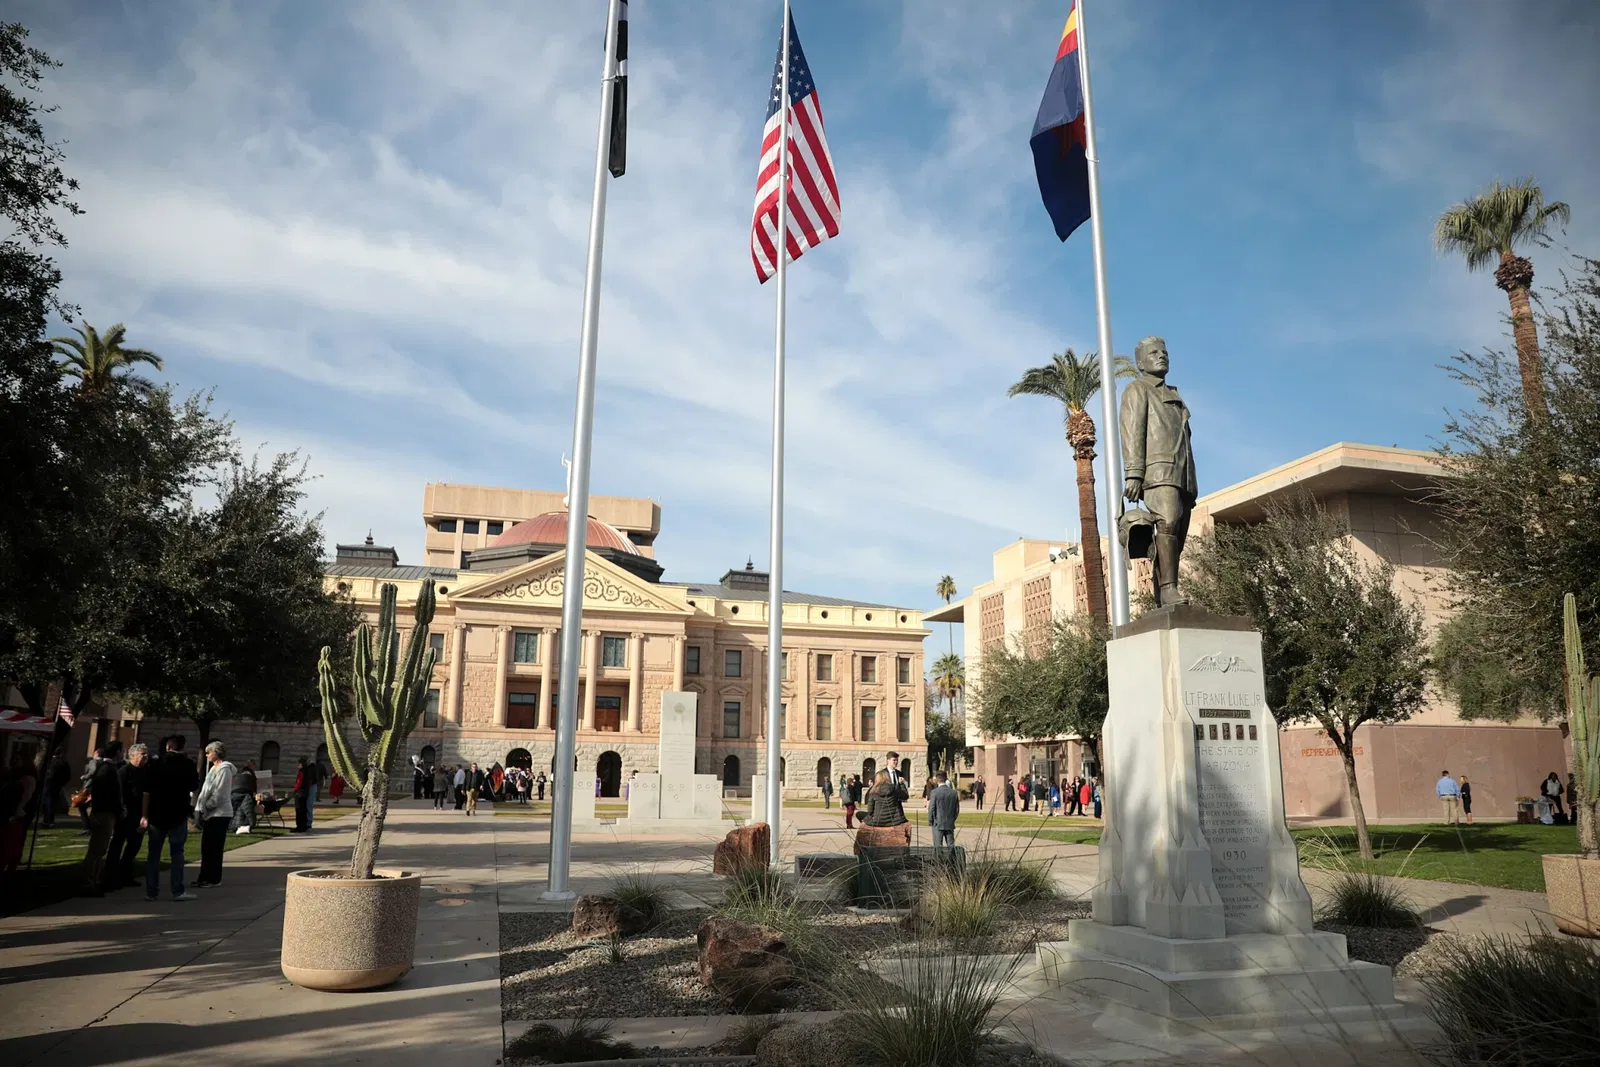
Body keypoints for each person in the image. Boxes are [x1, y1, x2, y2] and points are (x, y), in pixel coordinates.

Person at [143, 735, 199, 901]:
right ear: (182, 747)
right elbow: (194, 786)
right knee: (177, 853)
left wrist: (144, 814)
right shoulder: (187, 764)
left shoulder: (155, 763)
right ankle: (177, 890)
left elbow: (147, 789)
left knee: (154, 854)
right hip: (177, 813)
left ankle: (151, 891)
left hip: (156, 813)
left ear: (168, 747)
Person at [81, 741, 124, 896]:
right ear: (117, 752)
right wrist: (119, 810)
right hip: (104, 813)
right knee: (97, 849)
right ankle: (88, 883)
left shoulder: (105, 768)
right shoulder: (107, 770)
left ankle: (95, 881)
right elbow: (111, 795)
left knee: (100, 849)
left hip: (104, 812)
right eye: (122, 751)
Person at [192, 741, 235, 888]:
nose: (207, 755)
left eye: (209, 752)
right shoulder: (212, 770)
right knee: (206, 847)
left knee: (215, 848)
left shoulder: (225, 770)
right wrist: (200, 807)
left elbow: (220, 794)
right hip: (210, 814)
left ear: (217, 753)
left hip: (220, 813)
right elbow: (205, 790)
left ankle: (213, 878)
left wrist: (207, 807)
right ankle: (203, 876)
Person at [108, 743, 150, 890]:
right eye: (142, 754)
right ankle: (110, 877)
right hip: (125, 813)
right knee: (117, 844)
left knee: (134, 845)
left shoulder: (146, 771)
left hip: (139, 813)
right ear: (132, 755)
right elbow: (118, 793)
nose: (145, 757)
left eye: (146, 754)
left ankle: (126, 873)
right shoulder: (124, 771)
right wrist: (121, 810)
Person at [1, 753, 38, 882]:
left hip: (17, 813)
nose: (14, 762)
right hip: (8, 810)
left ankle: (10, 866)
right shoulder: (12, 775)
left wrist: (18, 809)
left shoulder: (27, 777)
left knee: (12, 841)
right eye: (14, 759)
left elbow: (26, 795)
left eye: (18, 759)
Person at [859, 769, 910, 845]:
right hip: (894, 820)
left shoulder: (873, 791)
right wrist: (902, 784)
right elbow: (905, 796)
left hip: (877, 820)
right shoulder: (894, 788)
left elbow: (870, 810)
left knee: (859, 814)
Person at [928, 772, 959, 850]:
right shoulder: (953, 793)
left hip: (938, 822)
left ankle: (939, 861)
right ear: (946, 779)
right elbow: (957, 810)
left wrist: (931, 820)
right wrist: (952, 819)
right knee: (951, 845)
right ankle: (952, 861)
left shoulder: (935, 792)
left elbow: (931, 808)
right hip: (949, 822)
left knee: (938, 846)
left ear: (937, 780)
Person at [43, 752, 70, 828]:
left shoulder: (50, 762)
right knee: (52, 802)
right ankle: (50, 820)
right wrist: (61, 783)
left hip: (49, 784)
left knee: (48, 802)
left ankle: (47, 820)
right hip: (57, 785)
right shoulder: (63, 763)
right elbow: (68, 776)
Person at [231, 759, 258, 833]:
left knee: (237, 811)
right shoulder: (250, 775)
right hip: (245, 793)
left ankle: (236, 826)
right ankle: (241, 826)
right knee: (245, 810)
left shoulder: (240, 774)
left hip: (235, 793)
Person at [291, 757, 312, 832]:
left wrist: (295, 790)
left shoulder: (301, 772)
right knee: (304, 810)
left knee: (299, 810)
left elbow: (299, 782)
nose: (298, 765)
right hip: (305, 793)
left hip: (300, 793)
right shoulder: (307, 771)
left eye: (299, 764)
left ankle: (299, 826)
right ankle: (304, 825)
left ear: (301, 764)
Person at [305, 758, 326, 828]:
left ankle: (308, 822)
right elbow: (325, 772)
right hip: (318, 781)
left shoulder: (312, 768)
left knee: (309, 805)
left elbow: (311, 779)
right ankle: (317, 797)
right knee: (318, 790)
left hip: (313, 783)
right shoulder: (320, 766)